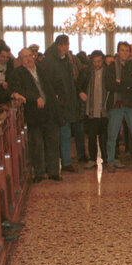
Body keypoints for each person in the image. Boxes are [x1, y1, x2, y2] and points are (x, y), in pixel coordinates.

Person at [9, 47, 59, 182]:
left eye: (29, 56)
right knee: (37, 144)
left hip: (49, 111)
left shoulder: (42, 69)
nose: (28, 59)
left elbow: (51, 87)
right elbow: (17, 89)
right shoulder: (17, 74)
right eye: (24, 57)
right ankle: (39, 173)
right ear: (20, 60)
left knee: (52, 142)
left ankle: (54, 171)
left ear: (34, 56)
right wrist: (35, 97)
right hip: (33, 112)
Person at [44, 35, 83, 172]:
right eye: (66, 45)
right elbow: (49, 83)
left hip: (66, 102)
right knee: (55, 135)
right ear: (59, 45)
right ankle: (54, 165)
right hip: (56, 103)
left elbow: (69, 81)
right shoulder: (49, 61)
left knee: (65, 133)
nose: (68, 47)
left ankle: (66, 162)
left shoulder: (66, 59)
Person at [104, 41, 132, 172]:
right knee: (112, 134)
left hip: (131, 104)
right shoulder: (111, 67)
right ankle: (110, 161)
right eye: (122, 50)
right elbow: (109, 85)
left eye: (127, 51)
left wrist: (121, 82)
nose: (125, 53)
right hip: (116, 103)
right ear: (118, 52)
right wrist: (127, 83)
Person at [77, 50, 107, 168]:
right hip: (91, 108)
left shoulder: (107, 72)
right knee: (92, 135)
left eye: (99, 61)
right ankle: (92, 158)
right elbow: (78, 84)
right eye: (94, 61)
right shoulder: (86, 72)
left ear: (102, 60)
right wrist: (80, 92)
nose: (97, 64)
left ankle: (106, 157)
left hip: (104, 109)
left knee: (105, 135)